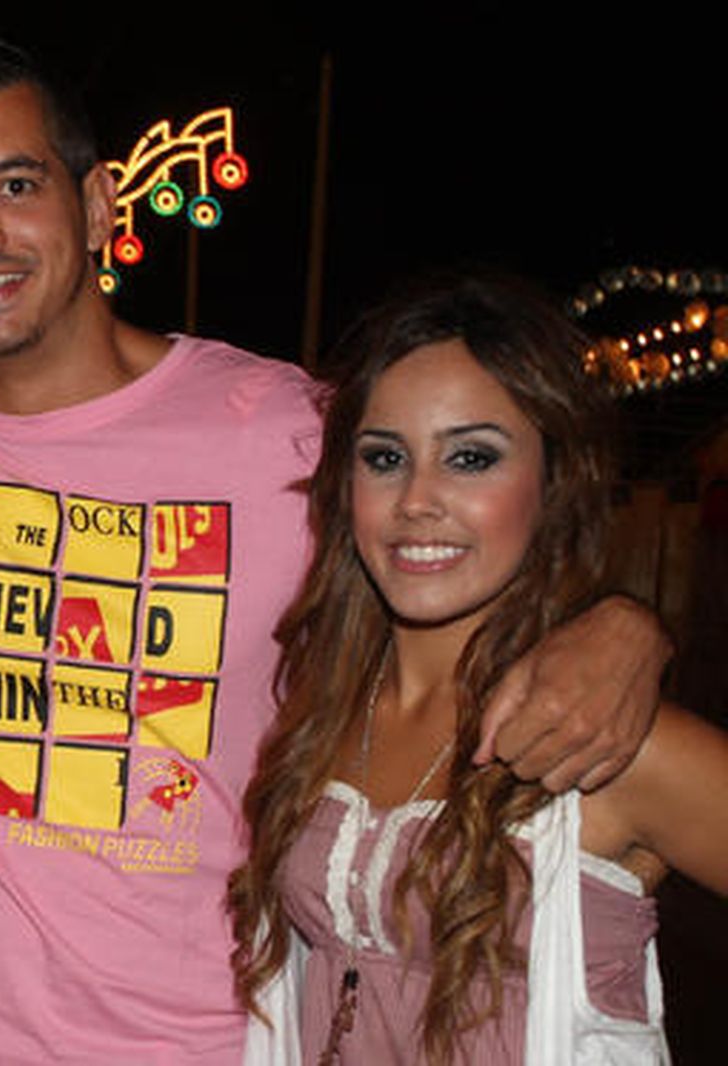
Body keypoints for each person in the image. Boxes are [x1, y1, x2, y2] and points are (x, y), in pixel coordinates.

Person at [0, 36, 672, 1064]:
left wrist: (626, 625)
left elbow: (476, 530)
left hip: (198, 1044)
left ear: (97, 204)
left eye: (14, 183)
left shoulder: (281, 431)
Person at [228, 276, 728, 1063]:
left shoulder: (602, 740)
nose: (418, 499)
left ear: (552, 484)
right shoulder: (321, 708)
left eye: (471, 457)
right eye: (385, 458)